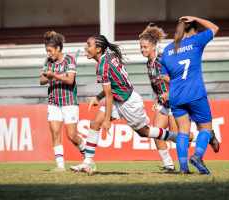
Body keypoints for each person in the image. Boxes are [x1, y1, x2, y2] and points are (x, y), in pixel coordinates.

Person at [70, 35, 177, 174]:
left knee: (144, 132)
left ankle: (175, 137)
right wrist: (97, 97)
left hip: (129, 102)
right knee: (95, 123)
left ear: (98, 49)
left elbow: (109, 94)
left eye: (89, 45)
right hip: (118, 98)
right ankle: (88, 162)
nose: (86, 48)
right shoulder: (109, 56)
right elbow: (112, 86)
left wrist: (107, 119)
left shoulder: (103, 66)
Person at [160, 16, 220, 175]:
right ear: (193, 29)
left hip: (176, 96)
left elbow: (164, 76)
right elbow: (215, 28)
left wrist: (176, 80)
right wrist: (196, 18)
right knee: (206, 129)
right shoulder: (196, 41)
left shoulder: (167, 50)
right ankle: (198, 156)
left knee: (183, 131)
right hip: (195, 93)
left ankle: (183, 168)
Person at [40, 31, 85, 172]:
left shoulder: (69, 60)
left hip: (69, 101)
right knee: (55, 133)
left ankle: (88, 157)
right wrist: (50, 76)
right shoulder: (48, 62)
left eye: (50, 50)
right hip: (53, 101)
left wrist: (53, 75)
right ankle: (60, 166)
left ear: (58, 48)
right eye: (47, 51)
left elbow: (70, 80)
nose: (48, 53)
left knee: (71, 135)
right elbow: (41, 80)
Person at [139, 24, 178, 172]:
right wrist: (158, 97)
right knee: (157, 133)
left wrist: (170, 93)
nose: (143, 50)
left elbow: (177, 79)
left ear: (154, 46)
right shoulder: (149, 63)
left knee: (178, 137)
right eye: (141, 47)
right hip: (163, 104)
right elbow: (157, 84)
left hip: (175, 102)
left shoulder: (163, 59)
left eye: (145, 47)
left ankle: (205, 138)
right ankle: (169, 165)